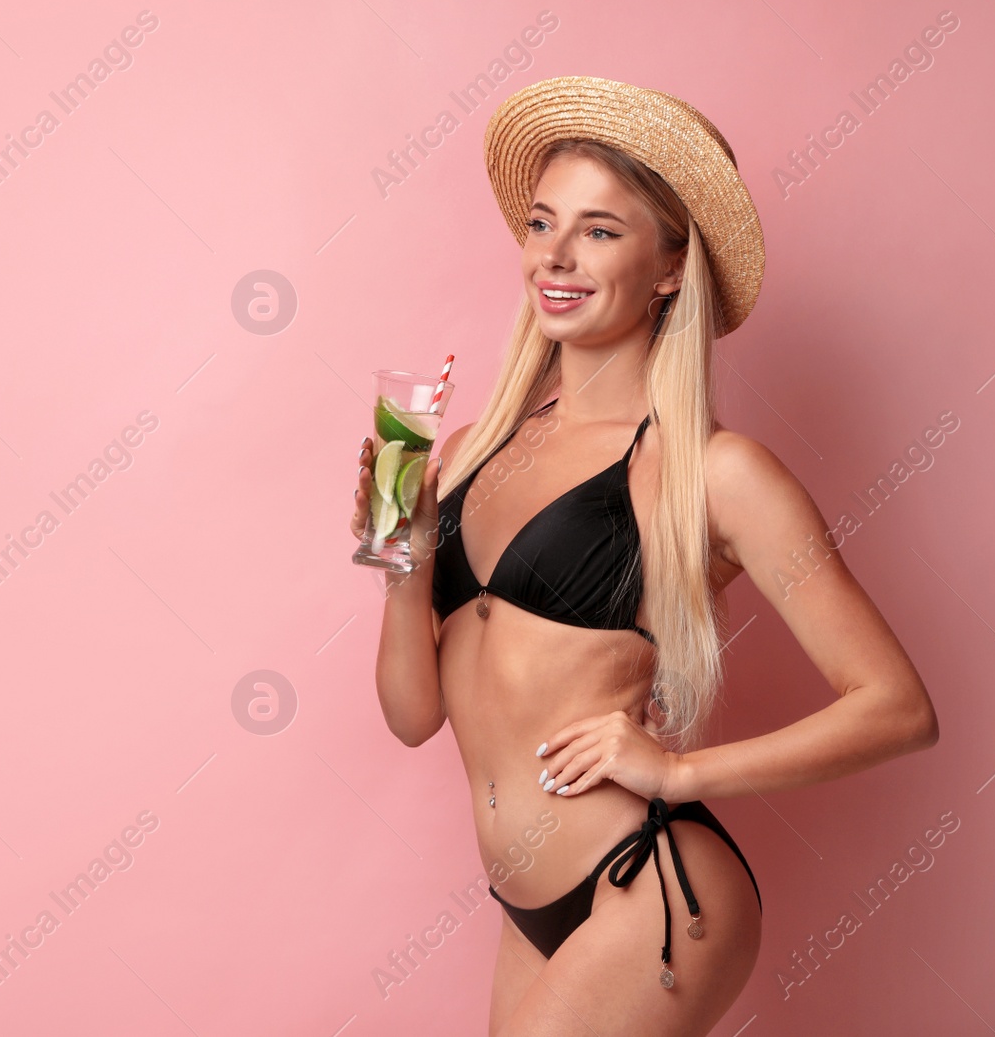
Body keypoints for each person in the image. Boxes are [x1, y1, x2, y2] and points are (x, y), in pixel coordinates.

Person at [349, 75, 939, 1036]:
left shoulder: (714, 471)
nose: (557, 255)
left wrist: (676, 775)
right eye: (543, 224)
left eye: (600, 230)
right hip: (530, 907)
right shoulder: (464, 453)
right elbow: (414, 716)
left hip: (650, 882)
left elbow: (899, 708)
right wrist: (402, 557)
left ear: (670, 267)